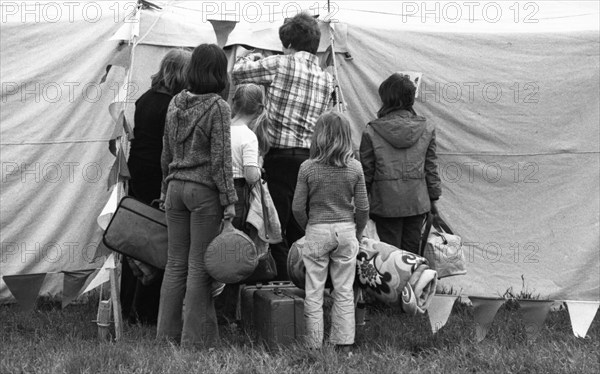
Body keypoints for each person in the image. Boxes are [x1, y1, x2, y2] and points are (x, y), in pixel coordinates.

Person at [232, 12, 334, 280]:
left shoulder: (280, 64)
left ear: (288, 44)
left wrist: (250, 56)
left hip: (279, 159)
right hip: (309, 162)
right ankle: (302, 289)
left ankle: (278, 291)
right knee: (299, 227)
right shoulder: (327, 79)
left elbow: (238, 72)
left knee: (273, 228)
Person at [157, 43, 237, 348]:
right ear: (219, 73)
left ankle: (165, 338)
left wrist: (165, 187)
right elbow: (220, 159)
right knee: (198, 266)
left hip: (175, 187)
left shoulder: (175, 102)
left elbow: (166, 151)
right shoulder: (219, 107)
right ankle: (193, 342)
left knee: (174, 264)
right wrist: (229, 199)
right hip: (203, 192)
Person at [121, 48, 191, 325]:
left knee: (135, 241)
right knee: (159, 242)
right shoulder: (172, 105)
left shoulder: (144, 98)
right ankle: (148, 312)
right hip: (157, 175)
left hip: (137, 170)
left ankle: (128, 306)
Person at [292, 111, 369, 350]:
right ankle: (343, 344)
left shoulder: (307, 168)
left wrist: (308, 226)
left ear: (318, 136)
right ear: (347, 137)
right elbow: (364, 207)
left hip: (317, 230)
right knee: (344, 290)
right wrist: (357, 232)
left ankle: (314, 344)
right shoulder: (355, 168)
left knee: (313, 290)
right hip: (346, 229)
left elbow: (296, 207)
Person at [359, 73, 442, 254]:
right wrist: (434, 197)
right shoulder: (427, 128)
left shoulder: (371, 131)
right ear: (411, 99)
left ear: (385, 98)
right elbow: (431, 168)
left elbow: (366, 175)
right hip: (417, 202)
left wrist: (360, 206)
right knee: (413, 257)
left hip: (385, 205)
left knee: (390, 258)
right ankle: (414, 283)